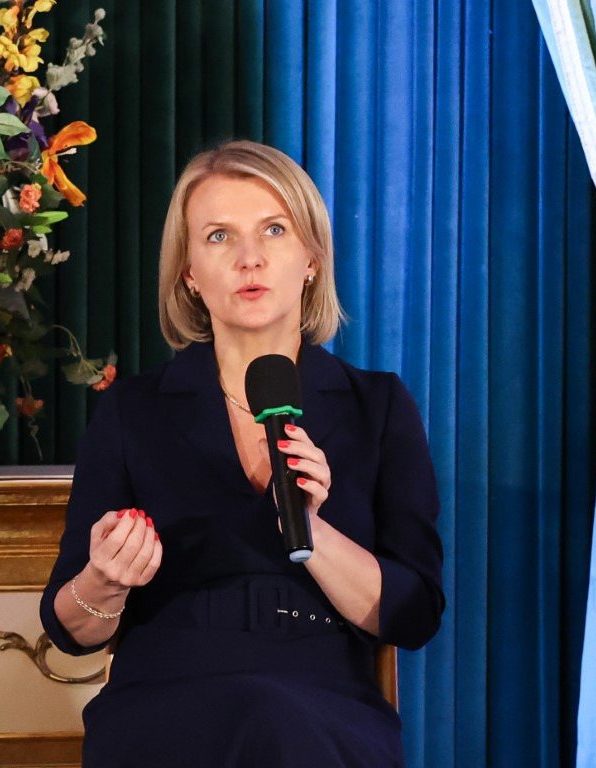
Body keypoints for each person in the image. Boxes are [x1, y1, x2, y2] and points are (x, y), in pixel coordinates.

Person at [40, 140, 444, 766]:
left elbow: (412, 616)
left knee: (272, 717)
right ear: (189, 273)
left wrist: (309, 528)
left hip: (322, 703)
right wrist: (106, 581)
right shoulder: (133, 412)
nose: (249, 258)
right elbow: (71, 630)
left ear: (311, 258)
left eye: (274, 231)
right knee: (247, 713)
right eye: (219, 236)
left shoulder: (378, 406)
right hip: (165, 698)